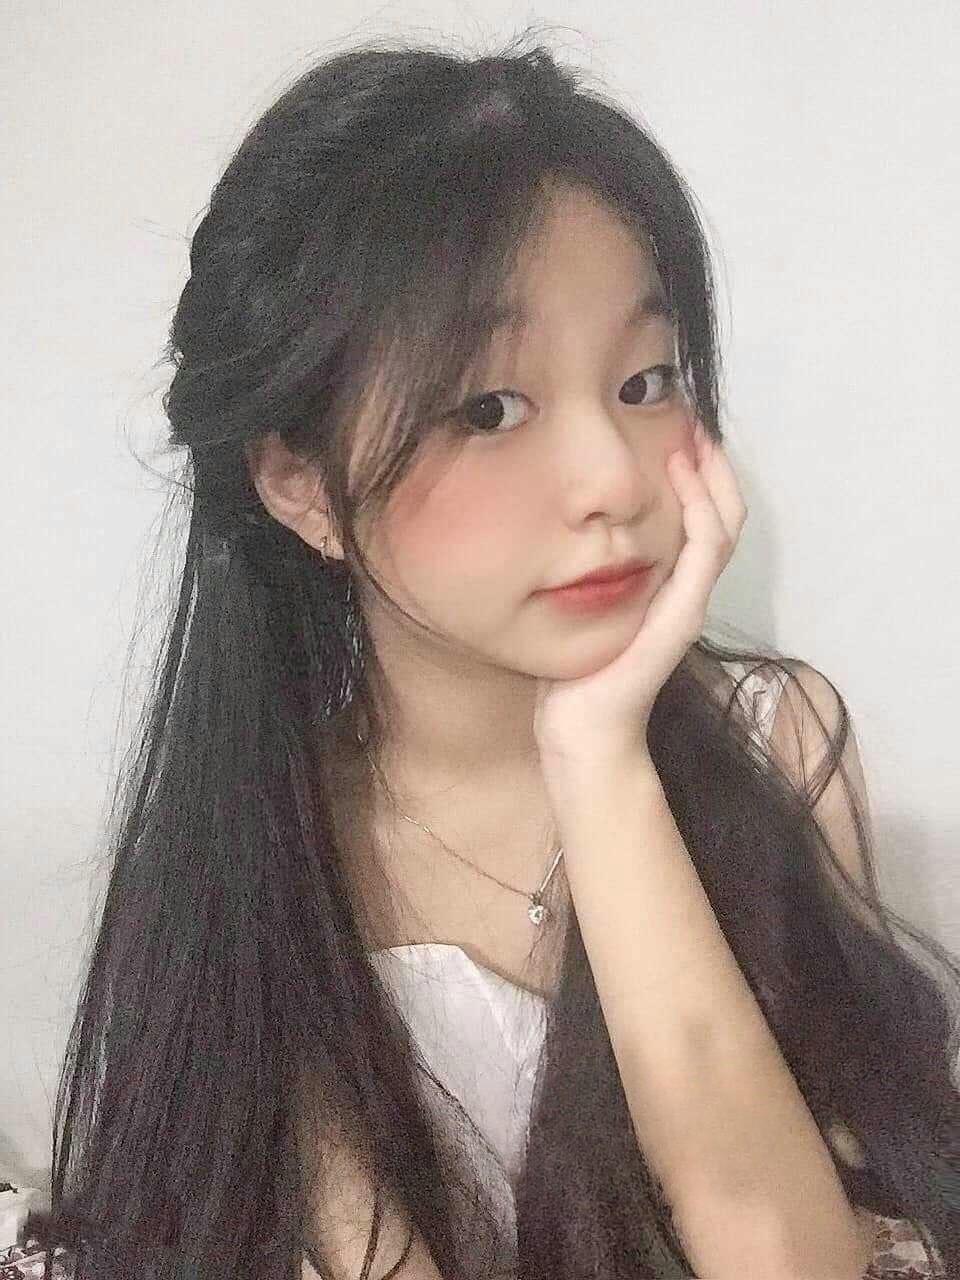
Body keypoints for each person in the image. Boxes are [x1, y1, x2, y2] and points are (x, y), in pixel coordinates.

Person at [16, 26, 956, 1280]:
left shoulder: (777, 741)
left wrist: (599, 755)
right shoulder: (277, 845)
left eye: (646, 380)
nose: (613, 479)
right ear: (300, 482)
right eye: (489, 407)